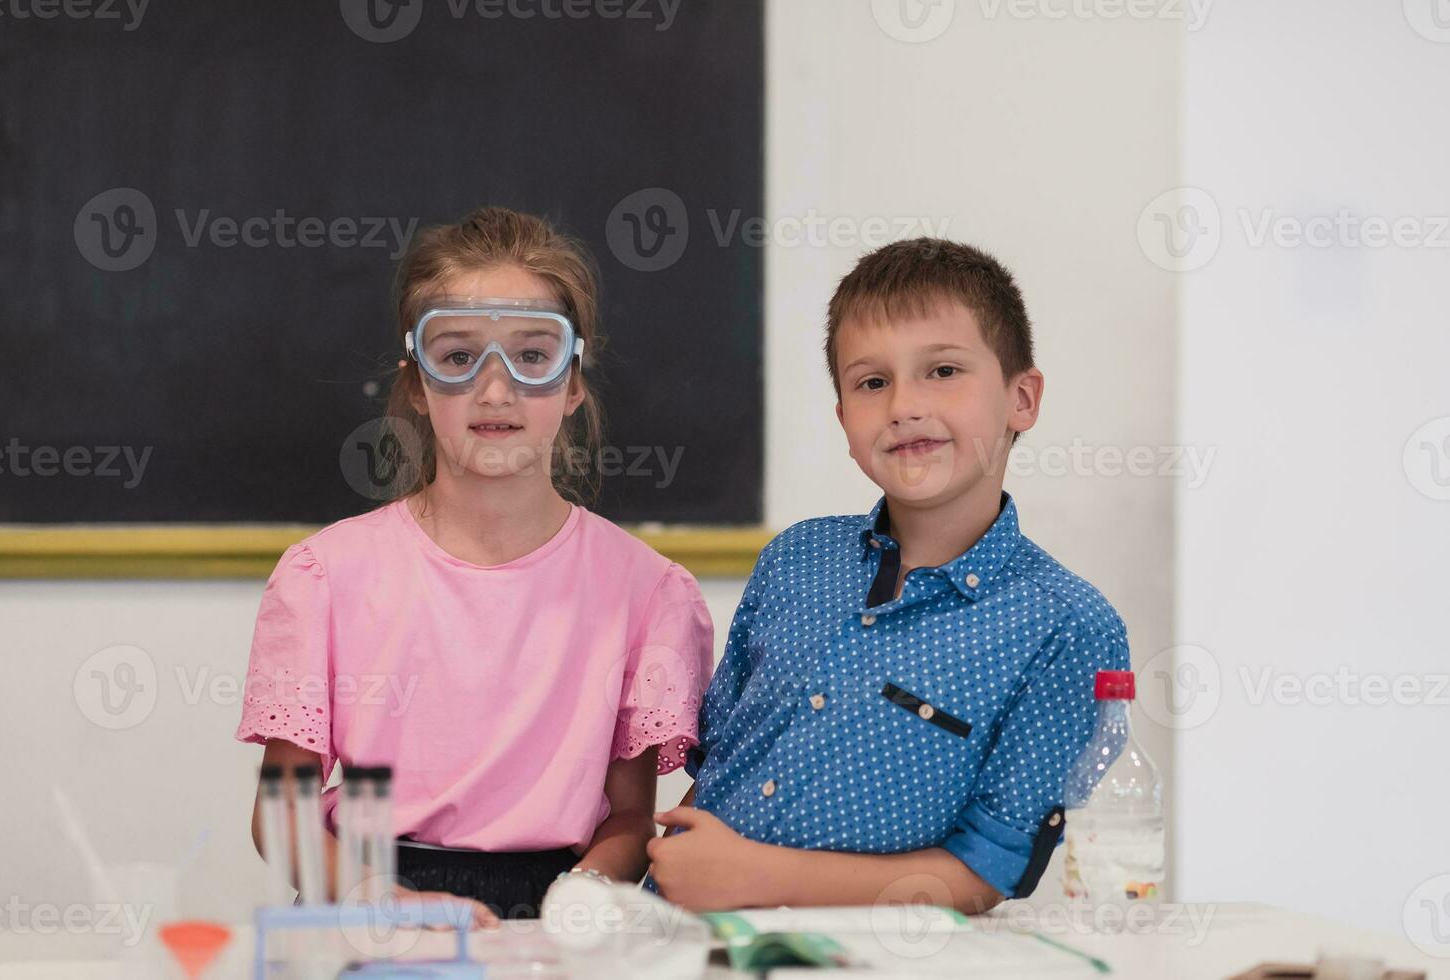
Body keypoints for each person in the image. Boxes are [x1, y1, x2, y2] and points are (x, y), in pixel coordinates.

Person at [237, 207, 714, 921]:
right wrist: (384, 904)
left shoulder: (646, 594)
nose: (496, 391)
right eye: (458, 357)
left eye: (532, 356)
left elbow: (626, 819)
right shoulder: (325, 578)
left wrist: (579, 900)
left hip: (560, 913)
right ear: (417, 386)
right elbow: (282, 813)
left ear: (574, 381)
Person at [646, 237, 1129, 913]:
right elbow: (724, 765)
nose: (904, 404)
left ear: (1021, 398)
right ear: (843, 417)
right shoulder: (794, 560)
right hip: (678, 941)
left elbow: (986, 873)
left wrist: (755, 877)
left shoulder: (1063, 626)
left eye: (942, 371)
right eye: (872, 382)